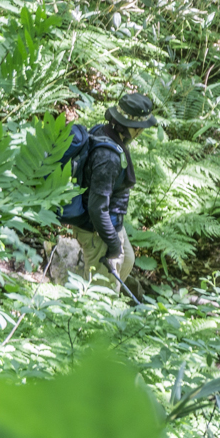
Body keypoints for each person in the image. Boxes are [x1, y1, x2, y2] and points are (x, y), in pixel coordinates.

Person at [72, 92, 157, 294]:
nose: (141, 133)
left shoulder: (105, 133)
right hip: (97, 230)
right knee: (101, 297)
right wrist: (112, 244)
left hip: (110, 222)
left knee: (127, 260)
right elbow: (96, 208)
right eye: (140, 128)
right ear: (130, 127)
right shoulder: (108, 157)